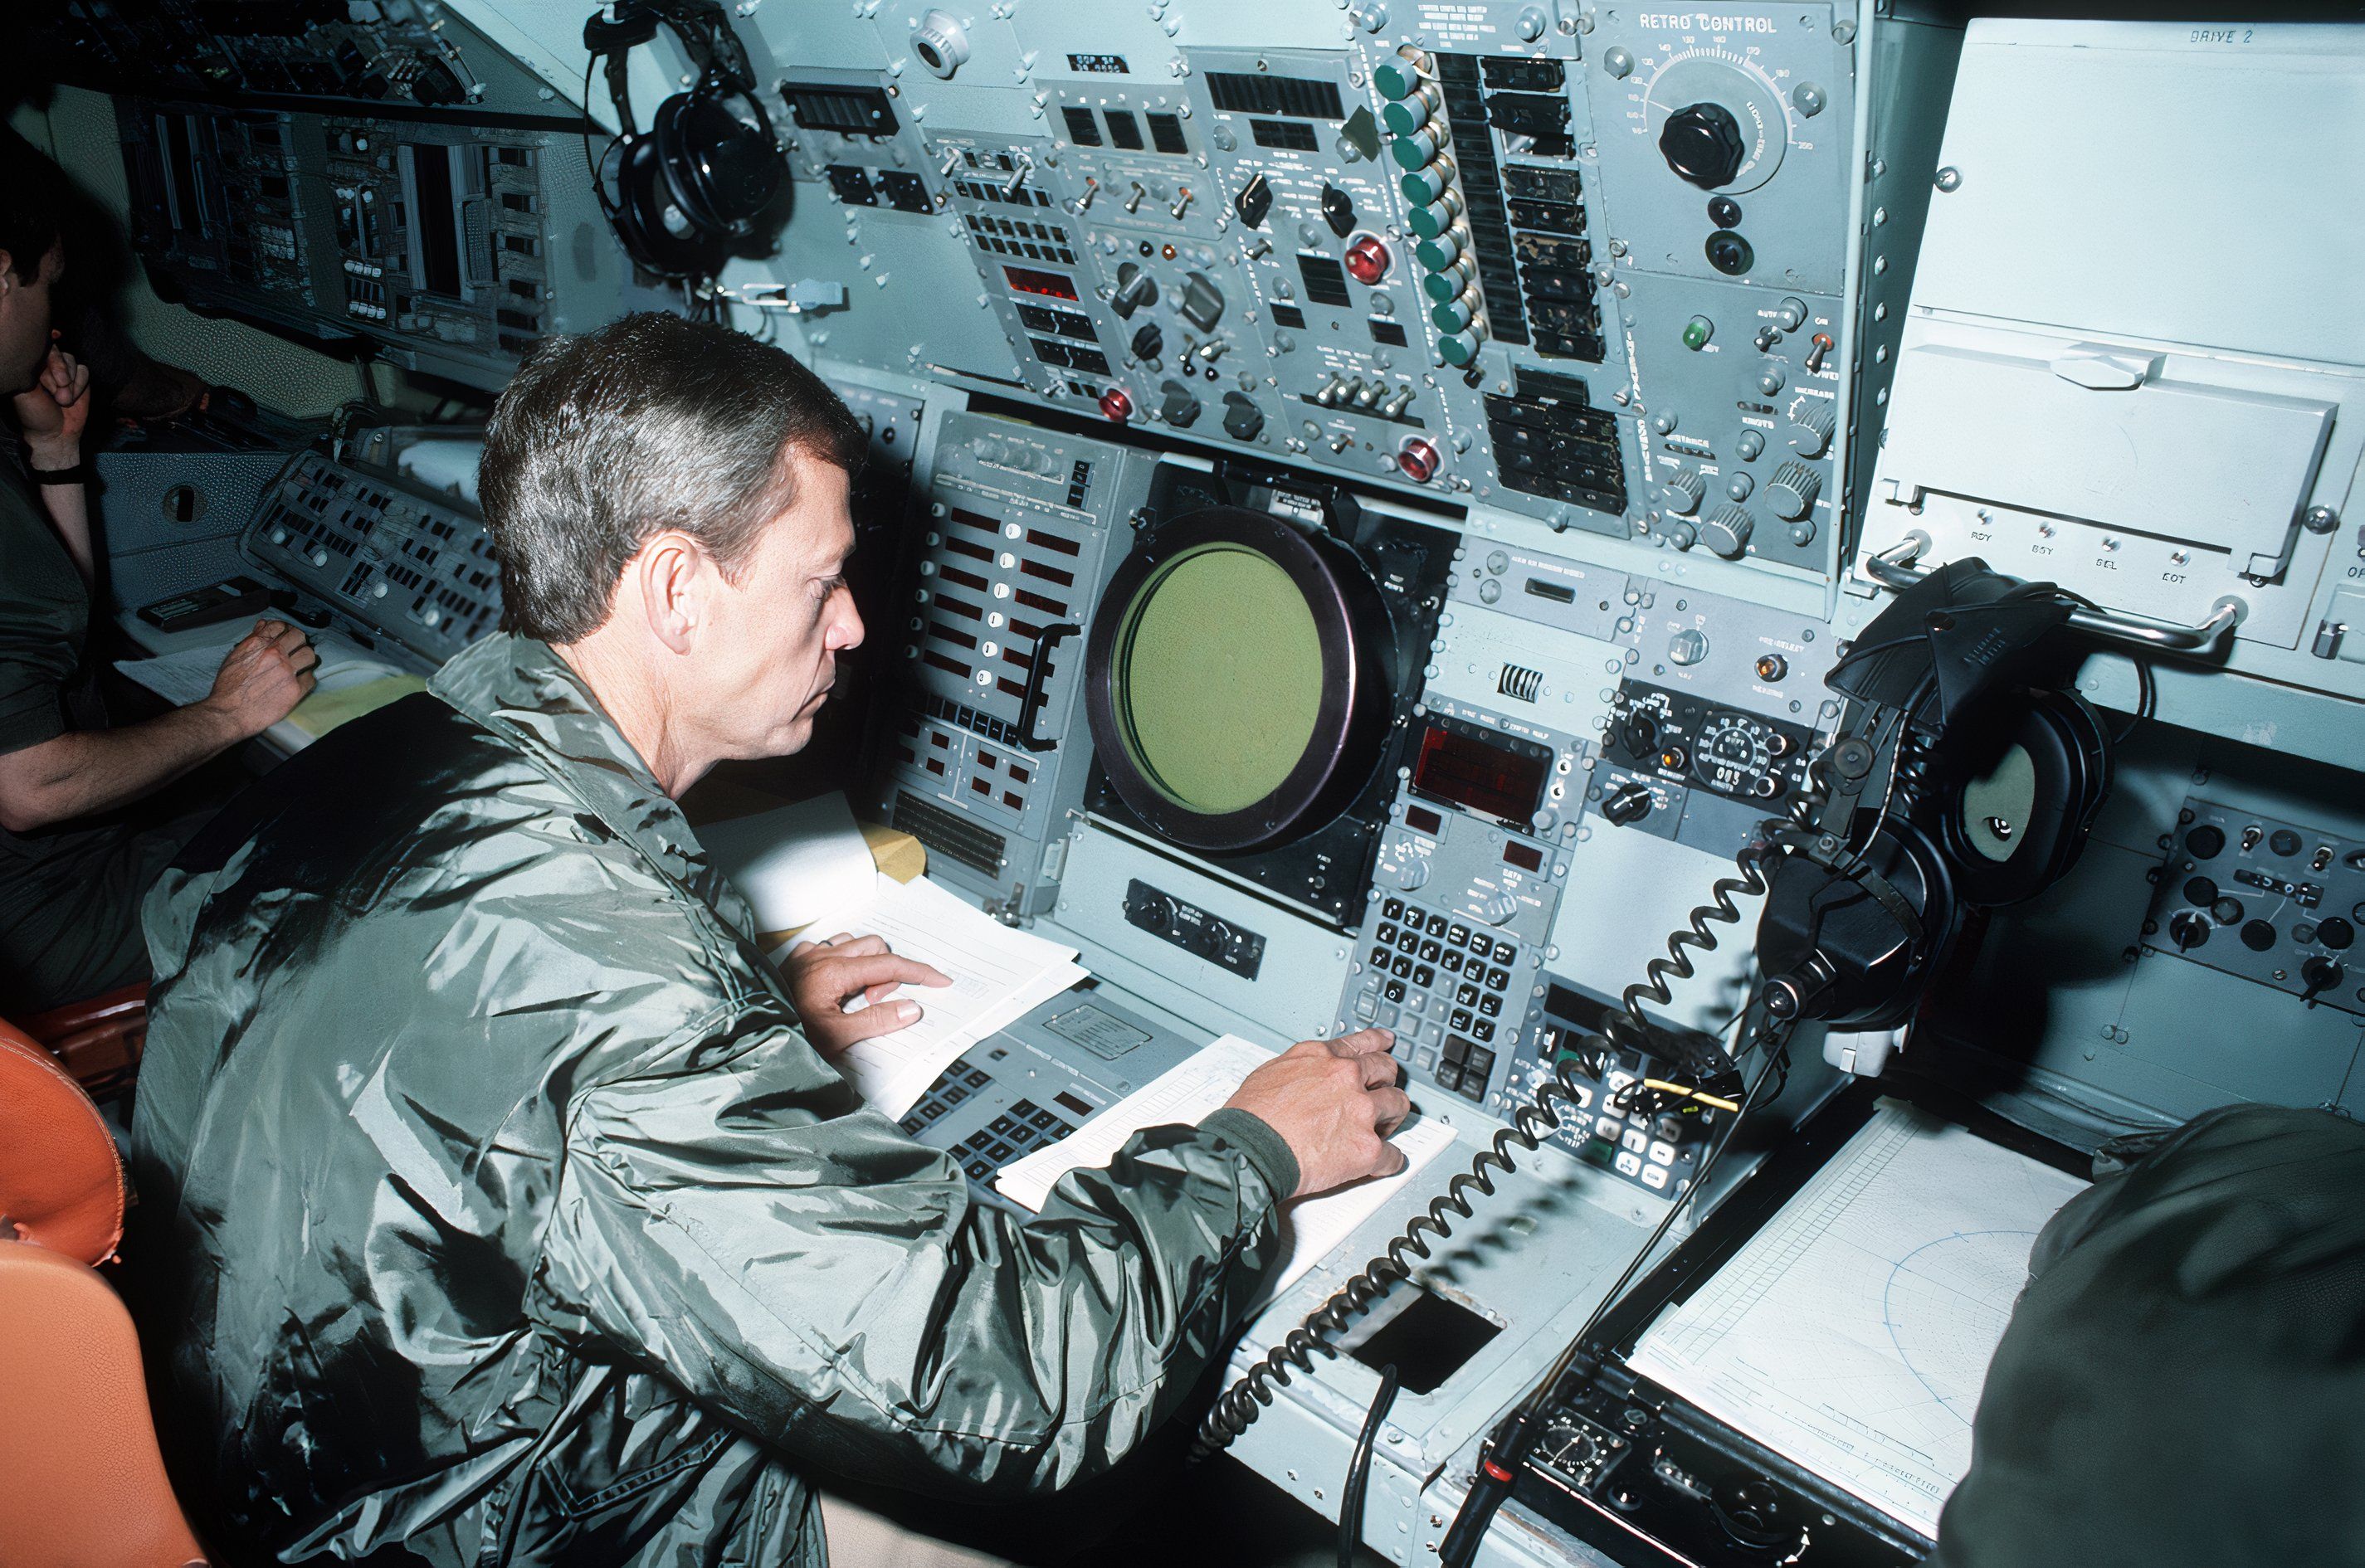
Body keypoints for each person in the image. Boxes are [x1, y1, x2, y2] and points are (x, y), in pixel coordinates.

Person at [129, 311, 1412, 1566]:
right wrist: (1252, 1151)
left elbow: (468, 1065)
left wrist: (750, 1008)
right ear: (678, 588)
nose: (851, 624)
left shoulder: (359, 771)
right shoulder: (620, 1003)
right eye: (820, 580)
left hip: (281, 1469)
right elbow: (1009, 1383)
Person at [0, 146, 315, 1016]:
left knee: (279, 792)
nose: (55, 315)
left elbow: (49, 634)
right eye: (45, 286)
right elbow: (31, 788)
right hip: (42, 927)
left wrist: (56, 456)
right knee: (361, 838)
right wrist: (228, 715)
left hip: (52, 876)